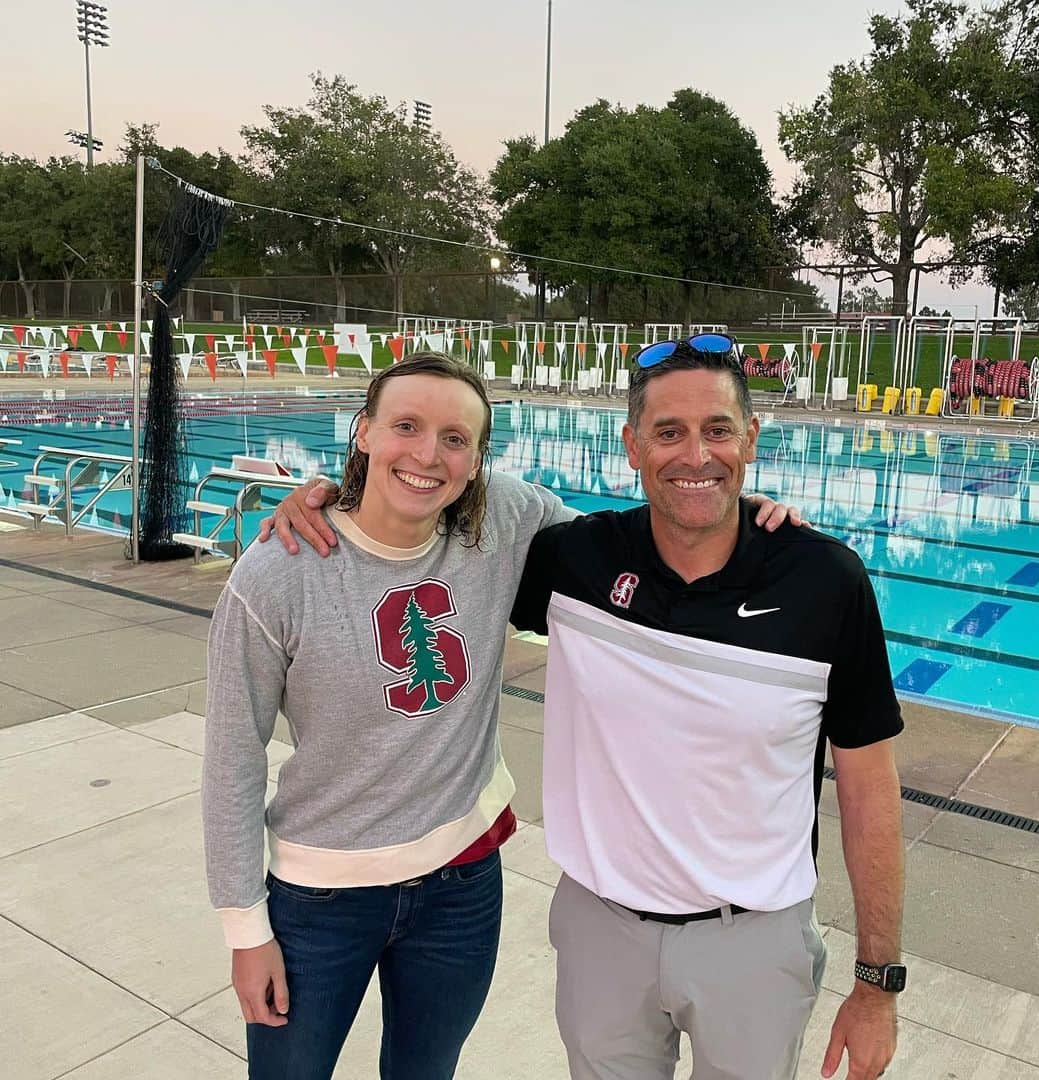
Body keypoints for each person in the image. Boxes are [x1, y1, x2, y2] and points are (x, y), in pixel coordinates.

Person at [206, 349, 800, 1080]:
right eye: (406, 427)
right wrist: (245, 928)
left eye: (456, 439)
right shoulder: (278, 573)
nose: (428, 455)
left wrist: (745, 521)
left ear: (478, 459)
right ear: (362, 432)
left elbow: (651, 542)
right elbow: (232, 756)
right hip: (318, 898)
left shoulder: (504, 521)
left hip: (460, 886)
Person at [508, 337, 906, 1080]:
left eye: (718, 429)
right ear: (631, 445)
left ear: (751, 438)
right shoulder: (576, 562)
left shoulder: (825, 582)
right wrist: (332, 498)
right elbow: (433, 522)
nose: (696, 454)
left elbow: (869, 787)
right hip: (600, 933)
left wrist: (878, 984)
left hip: (753, 947)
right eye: (669, 432)